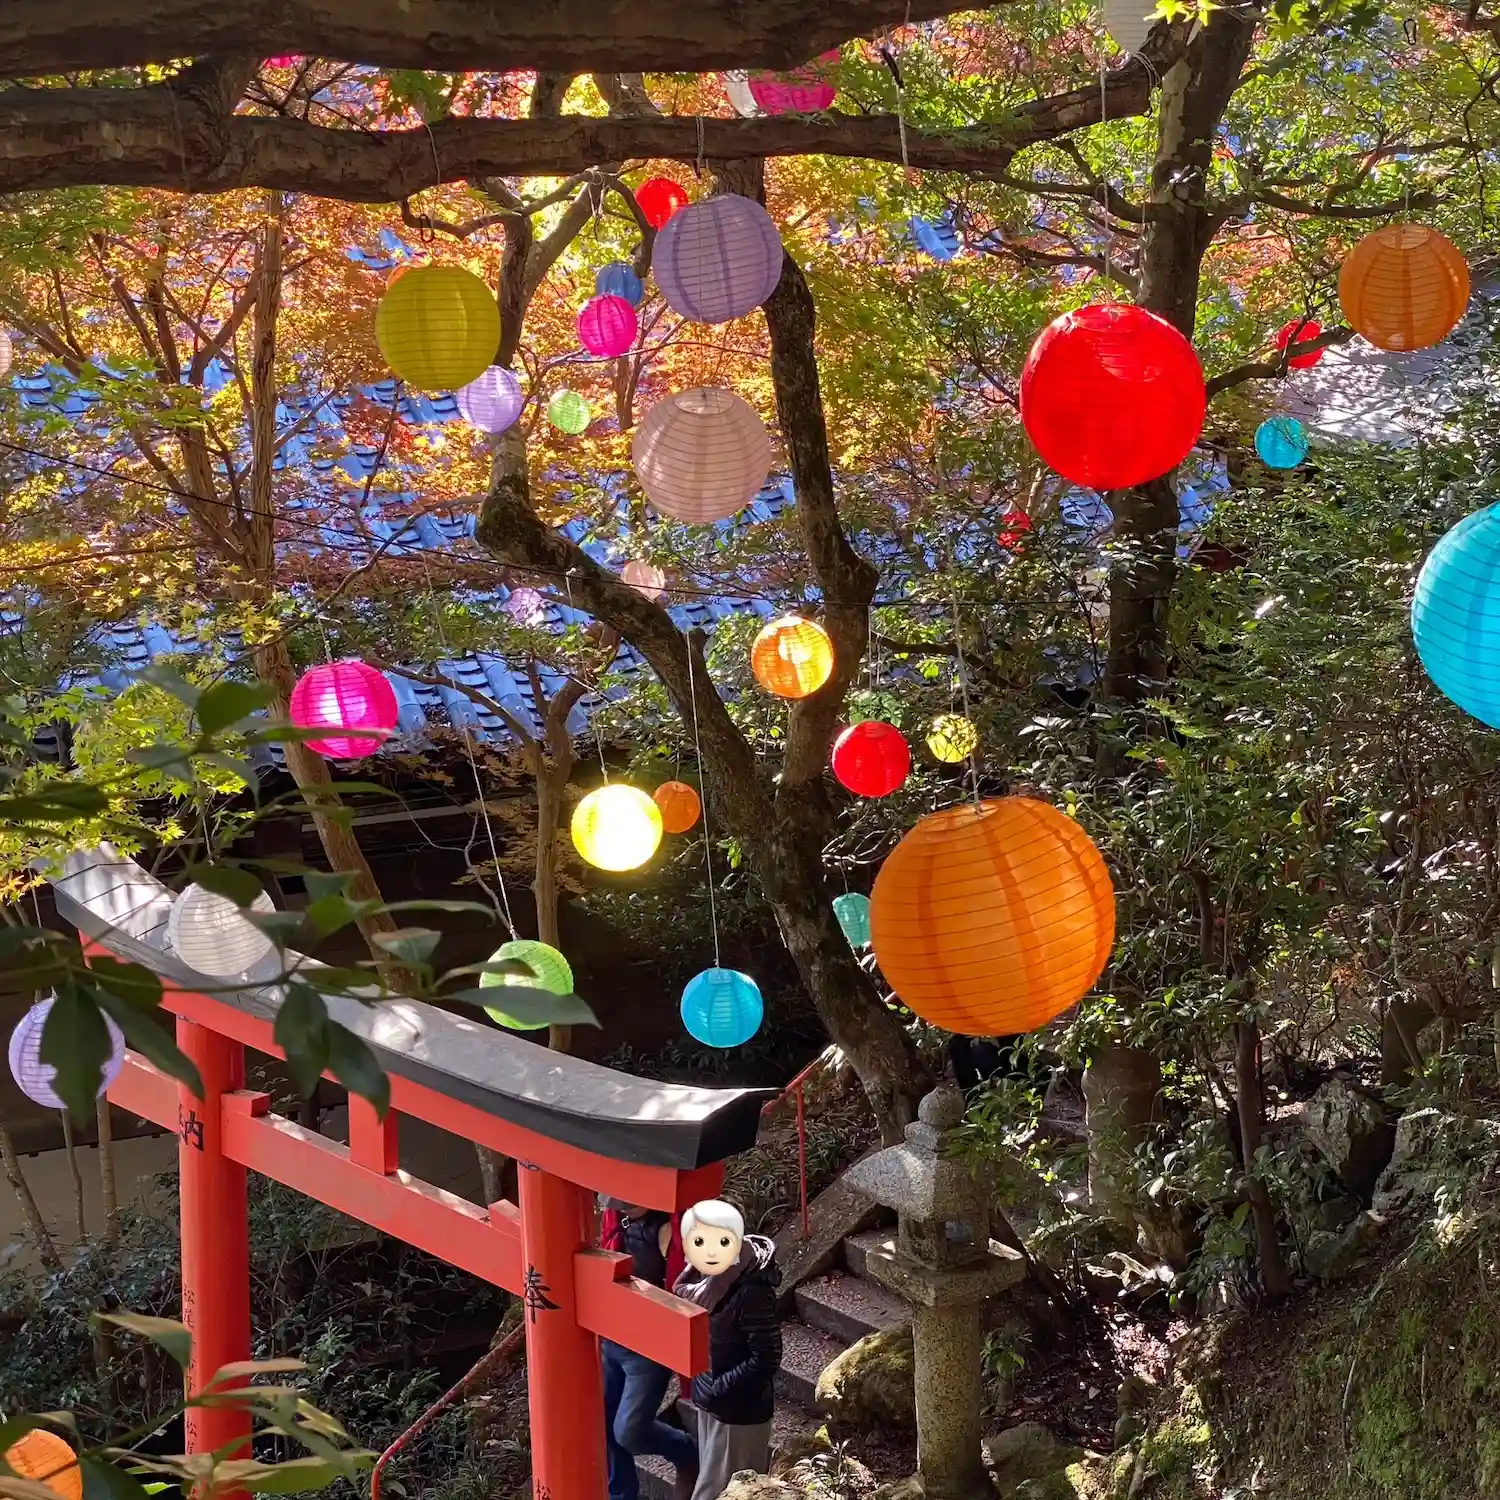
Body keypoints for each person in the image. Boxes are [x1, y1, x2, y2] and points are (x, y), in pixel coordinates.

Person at [672, 1200, 782, 1500]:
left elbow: (767, 1356)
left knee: (718, 1492)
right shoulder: (703, 1278)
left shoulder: (753, 1290)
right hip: (711, 1397)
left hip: (738, 1411)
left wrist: (720, 1387)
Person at [599, 1197, 698, 1500]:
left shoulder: (671, 1229)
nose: (621, 1206)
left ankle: (687, 1452)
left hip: (649, 1346)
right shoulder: (614, 1217)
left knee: (628, 1431)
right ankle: (621, 1494)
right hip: (612, 1335)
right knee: (603, 1424)